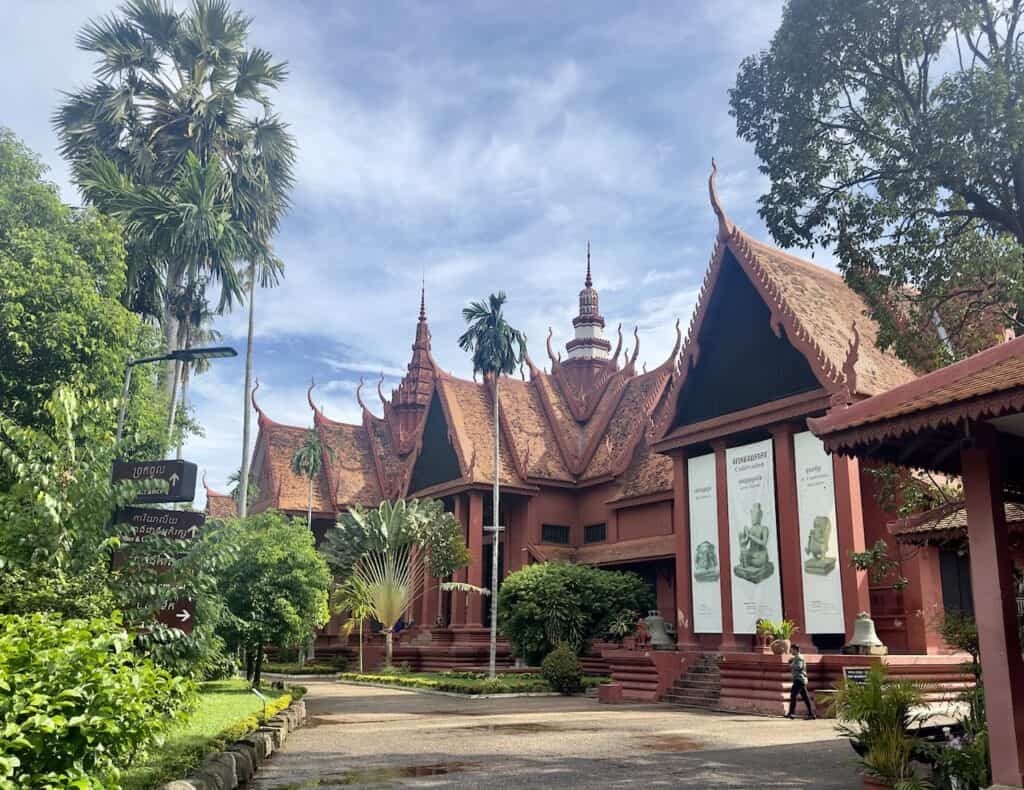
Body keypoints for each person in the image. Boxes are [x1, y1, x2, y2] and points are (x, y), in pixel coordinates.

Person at [786, 644, 815, 719]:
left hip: (799, 679)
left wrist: (791, 664)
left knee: (793, 695)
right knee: (805, 697)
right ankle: (811, 714)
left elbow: (799, 667)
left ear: (795, 650)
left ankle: (792, 713)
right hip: (800, 679)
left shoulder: (799, 657)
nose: (790, 651)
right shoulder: (797, 657)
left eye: (791, 649)